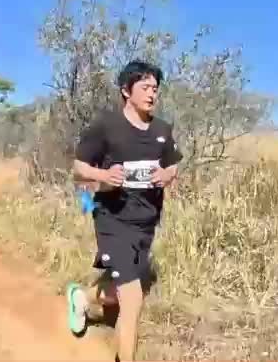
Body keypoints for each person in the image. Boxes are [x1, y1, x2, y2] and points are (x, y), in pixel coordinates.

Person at [66, 59, 182, 362]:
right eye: (145, 87)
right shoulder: (107, 127)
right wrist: (103, 175)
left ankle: (82, 298)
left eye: (155, 88)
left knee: (117, 292)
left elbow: (173, 166)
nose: (152, 93)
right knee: (132, 299)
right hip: (112, 219)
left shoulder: (162, 130)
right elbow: (78, 169)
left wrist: (166, 174)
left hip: (146, 223)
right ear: (126, 91)